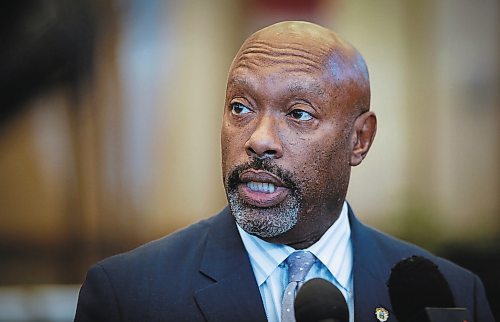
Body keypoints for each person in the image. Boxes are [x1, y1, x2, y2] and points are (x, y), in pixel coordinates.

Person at [74, 21, 494, 322]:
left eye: (298, 113)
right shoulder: (128, 295)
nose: (259, 139)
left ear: (359, 139)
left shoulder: (453, 295)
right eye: (241, 107)